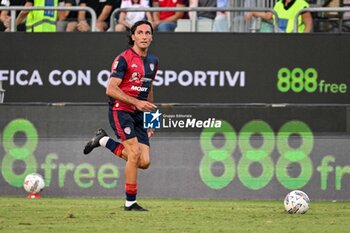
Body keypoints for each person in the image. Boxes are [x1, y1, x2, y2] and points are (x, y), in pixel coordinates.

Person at [83, 20, 159, 211]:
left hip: (139, 113)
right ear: (133, 36)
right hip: (121, 110)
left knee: (145, 162)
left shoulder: (153, 61)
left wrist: (151, 120)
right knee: (133, 154)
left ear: (151, 37)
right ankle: (130, 203)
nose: (144, 36)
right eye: (140, 33)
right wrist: (136, 102)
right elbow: (110, 89)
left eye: (147, 33)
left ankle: (103, 141)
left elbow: (148, 88)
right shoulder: (124, 59)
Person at [244, 0, 312, 33]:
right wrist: (253, 13)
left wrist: (303, 39)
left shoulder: (301, 3)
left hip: (295, 39)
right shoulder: (278, 4)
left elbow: (308, 24)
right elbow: (268, 15)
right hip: (279, 38)